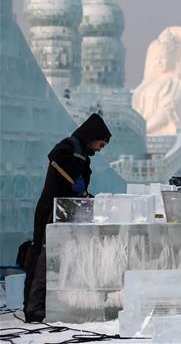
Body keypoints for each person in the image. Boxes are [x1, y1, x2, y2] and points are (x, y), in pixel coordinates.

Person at [23, 113, 111, 322]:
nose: (99, 148)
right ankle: (34, 308)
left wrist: (84, 195)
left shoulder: (83, 156)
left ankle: (51, 304)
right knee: (42, 260)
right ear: (93, 136)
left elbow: (78, 188)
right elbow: (56, 159)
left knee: (58, 261)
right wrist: (75, 181)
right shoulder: (70, 146)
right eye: (101, 143)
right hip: (49, 212)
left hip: (65, 213)